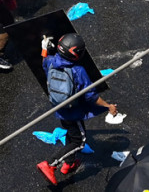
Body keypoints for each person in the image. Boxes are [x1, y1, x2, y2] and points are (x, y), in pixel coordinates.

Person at [36, 34, 118, 185]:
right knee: (79, 141)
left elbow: (43, 63)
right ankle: (50, 164)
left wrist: (44, 49)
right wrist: (108, 106)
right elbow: (91, 96)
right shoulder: (78, 70)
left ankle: (69, 163)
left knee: (71, 133)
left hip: (59, 108)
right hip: (73, 111)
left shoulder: (51, 61)